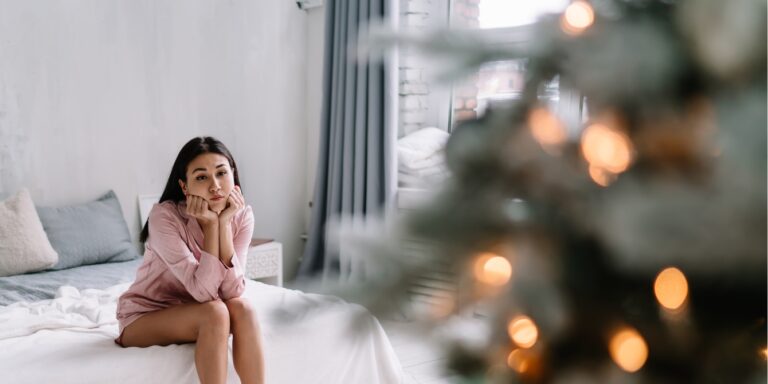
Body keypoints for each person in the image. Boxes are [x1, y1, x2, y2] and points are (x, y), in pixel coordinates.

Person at [116, 136, 264, 384]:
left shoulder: (242, 216)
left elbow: (232, 291)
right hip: (145, 316)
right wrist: (210, 226)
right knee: (215, 312)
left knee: (244, 308)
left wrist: (224, 223)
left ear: (233, 175)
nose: (215, 185)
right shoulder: (164, 217)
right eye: (202, 177)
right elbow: (204, 294)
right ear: (185, 187)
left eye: (221, 173)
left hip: (197, 312)